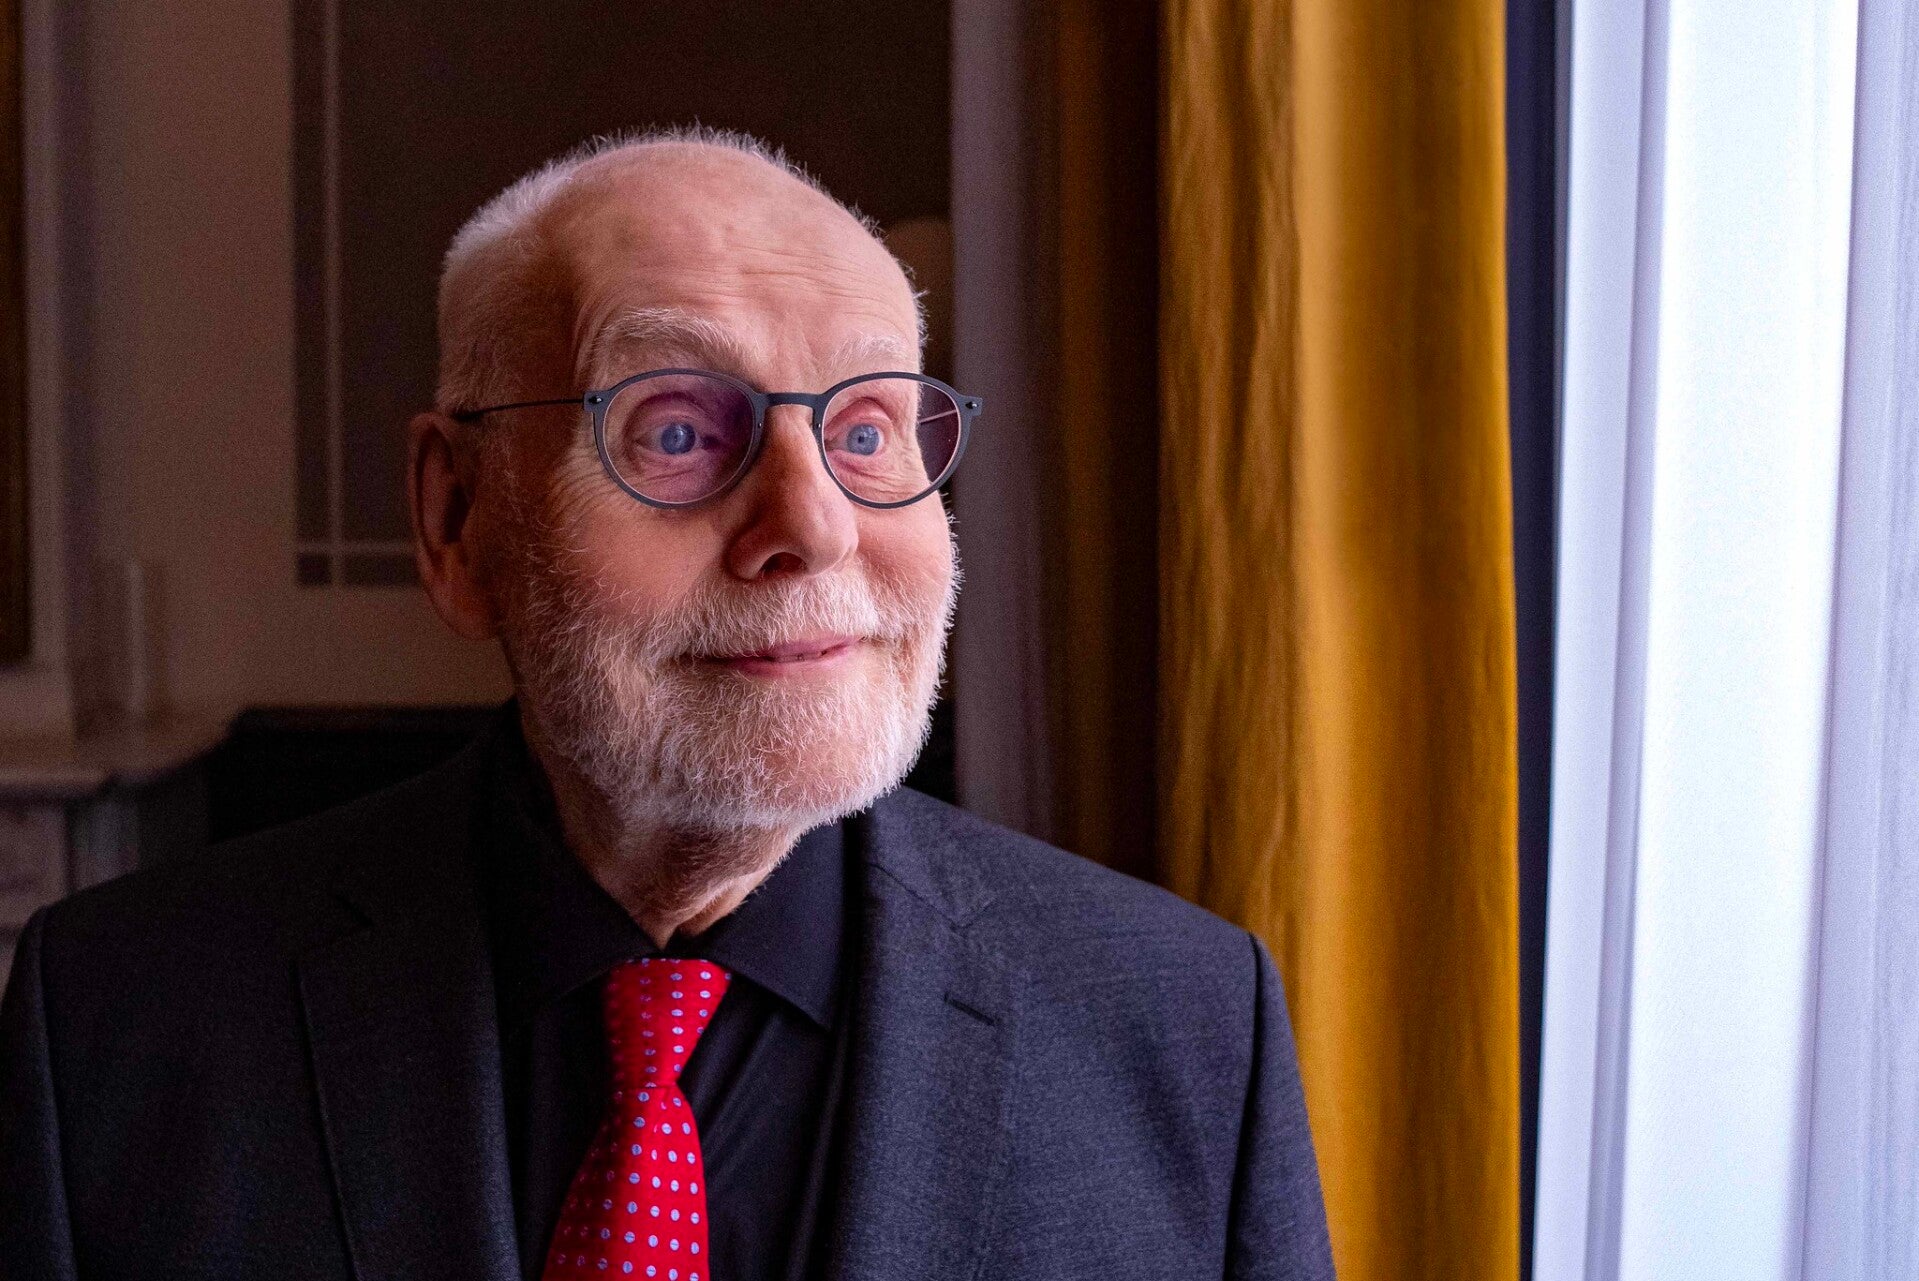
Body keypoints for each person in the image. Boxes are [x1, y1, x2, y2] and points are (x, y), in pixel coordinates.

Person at [0, 130, 1333, 1280]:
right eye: (680, 431)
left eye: (868, 431)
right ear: (458, 519)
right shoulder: (118, 1031)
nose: (814, 525)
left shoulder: (1186, 1028)